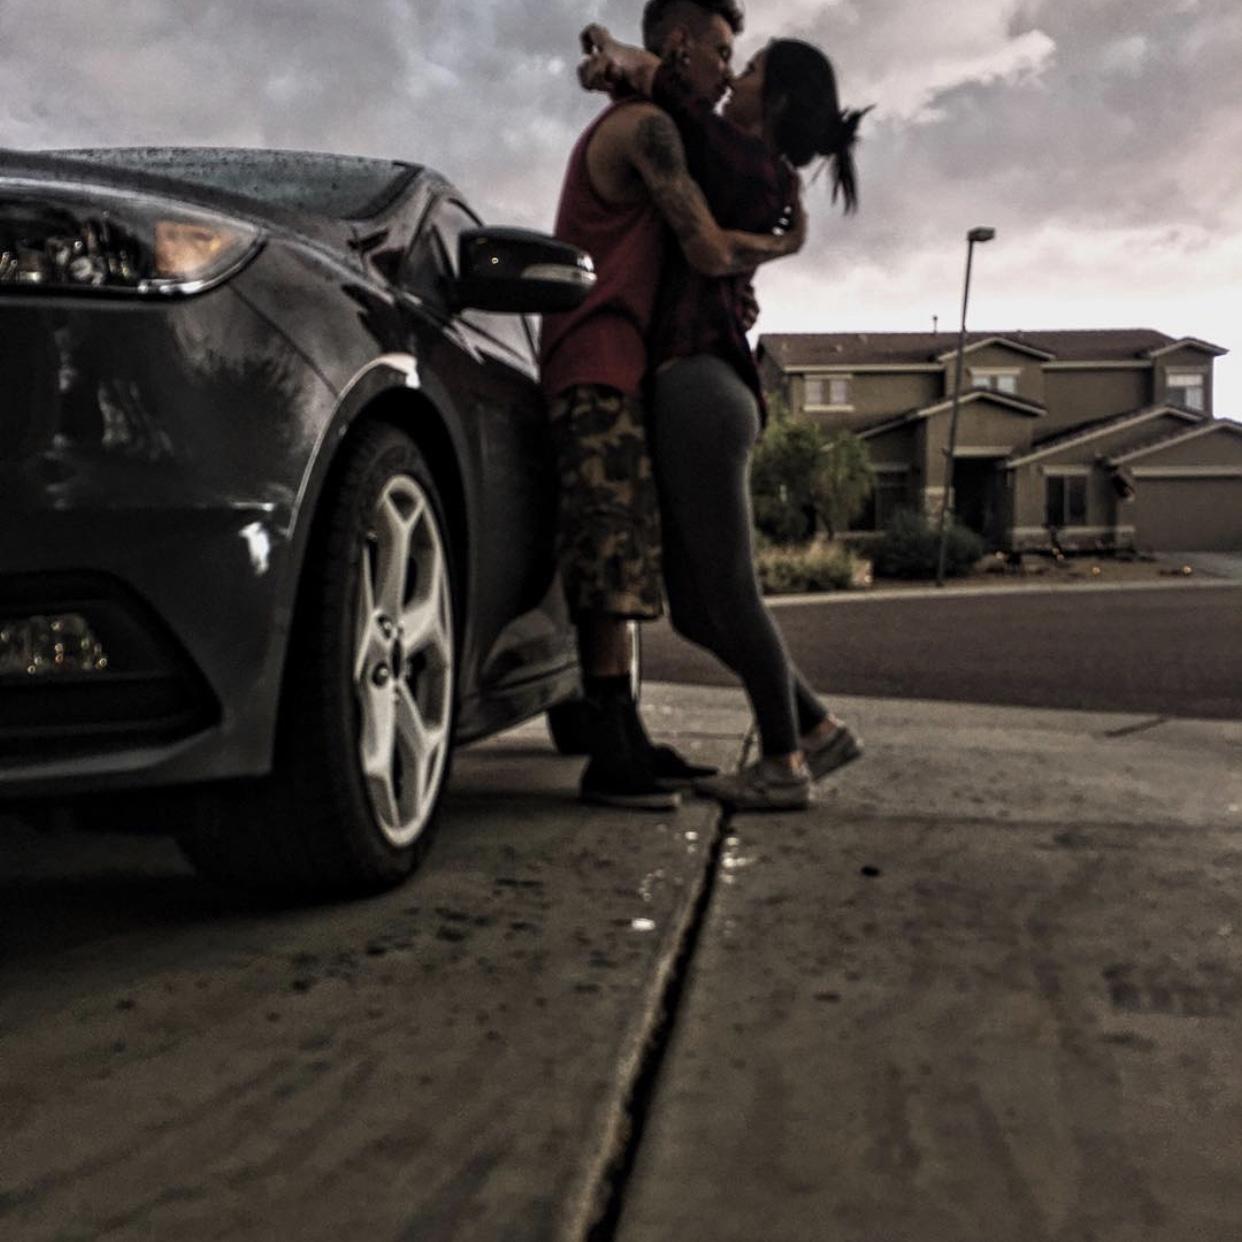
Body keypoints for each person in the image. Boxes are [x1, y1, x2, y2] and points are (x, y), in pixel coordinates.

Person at [579, 27, 869, 811]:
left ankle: (782, 763)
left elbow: (683, 118)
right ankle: (816, 727)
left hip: (700, 385)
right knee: (699, 608)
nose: (732, 81)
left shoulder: (746, 161)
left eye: (747, 72)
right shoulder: (758, 175)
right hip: (703, 388)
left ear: (771, 102)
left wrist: (639, 66)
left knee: (731, 594)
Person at [540, 0, 807, 810]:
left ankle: (626, 732)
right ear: (682, 45)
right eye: (724, 53)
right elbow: (706, 245)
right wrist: (784, 244)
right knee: (608, 551)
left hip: (632, 360)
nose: (728, 73)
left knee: (628, 554)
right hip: (598, 355)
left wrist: (618, 57)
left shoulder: (661, 119)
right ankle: (610, 747)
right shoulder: (645, 131)